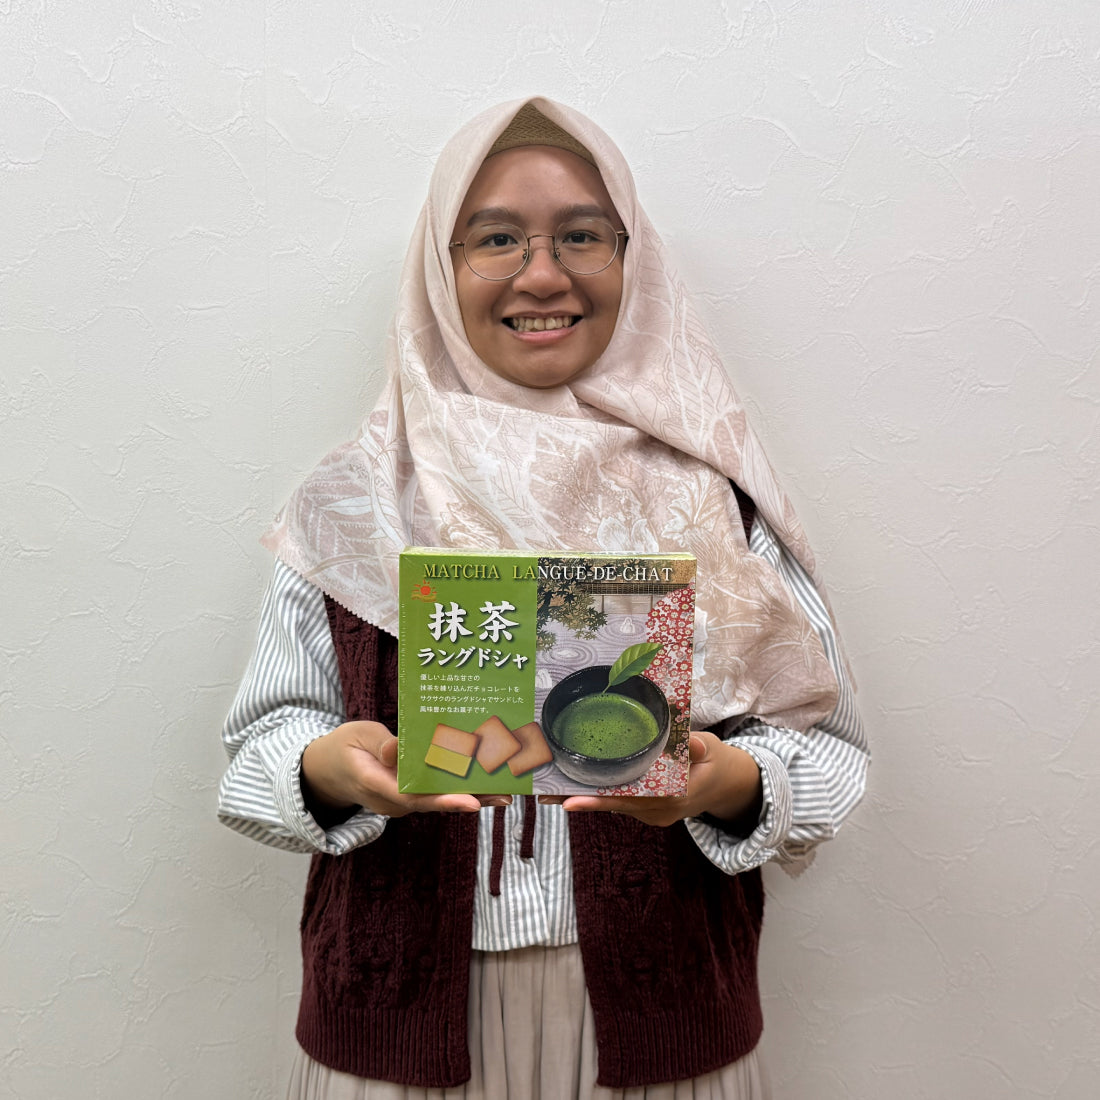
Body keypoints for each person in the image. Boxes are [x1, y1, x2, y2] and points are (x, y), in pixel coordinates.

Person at [219, 97, 868, 1099]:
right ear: (442, 267)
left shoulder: (714, 498)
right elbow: (257, 752)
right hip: (395, 1031)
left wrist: (723, 782)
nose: (540, 272)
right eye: (494, 238)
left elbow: (829, 753)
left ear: (630, 259)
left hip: (661, 1032)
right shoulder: (349, 503)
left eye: (579, 235)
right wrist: (327, 768)